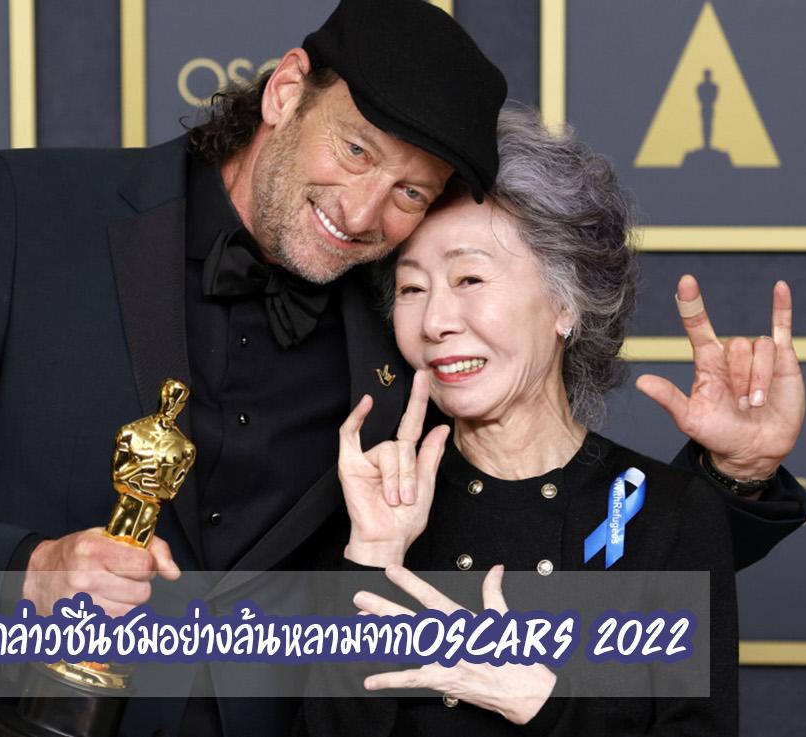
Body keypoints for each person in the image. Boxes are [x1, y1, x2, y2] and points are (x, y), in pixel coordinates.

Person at [0, 2, 806, 735]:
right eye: (355, 151)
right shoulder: (26, 212)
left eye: (410, 193)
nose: (363, 214)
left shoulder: (406, 316)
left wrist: (734, 478)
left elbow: (542, 526)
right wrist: (28, 568)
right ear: (285, 92)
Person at [302, 108, 767, 734]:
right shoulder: (368, 500)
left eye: (470, 278)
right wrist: (375, 556)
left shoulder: (666, 512)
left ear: (565, 302)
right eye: (412, 289)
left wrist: (546, 704)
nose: (435, 322)